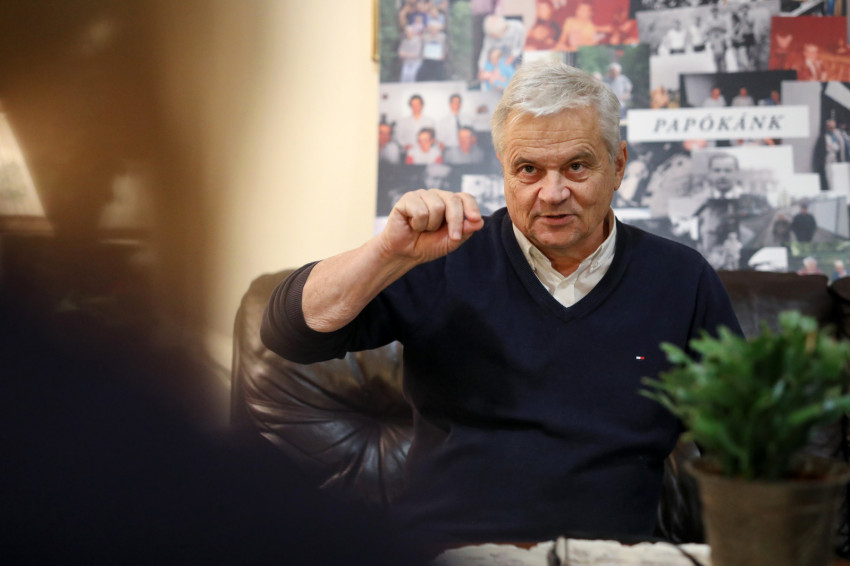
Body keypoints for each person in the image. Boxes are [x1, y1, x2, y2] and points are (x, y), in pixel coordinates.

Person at [260, 59, 741, 544]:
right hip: (454, 551)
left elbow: (745, 441)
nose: (552, 193)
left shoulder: (681, 278)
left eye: (576, 166)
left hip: (610, 556)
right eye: (529, 170)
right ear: (504, 171)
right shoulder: (441, 255)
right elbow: (289, 333)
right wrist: (387, 252)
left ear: (617, 165)